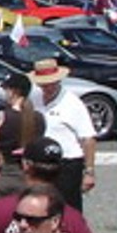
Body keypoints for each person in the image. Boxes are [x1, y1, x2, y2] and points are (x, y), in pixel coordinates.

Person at [32, 58, 97, 210]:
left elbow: (88, 138)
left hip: (66, 164)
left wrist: (89, 171)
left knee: (68, 208)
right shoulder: (34, 99)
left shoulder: (72, 103)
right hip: (40, 163)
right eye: (43, 84)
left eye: (51, 83)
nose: (47, 87)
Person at [0, 71, 46, 174]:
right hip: (30, 171)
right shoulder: (39, 118)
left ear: (13, 92)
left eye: (6, 90)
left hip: (5, 171)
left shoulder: (1, 116)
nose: (5, 94)